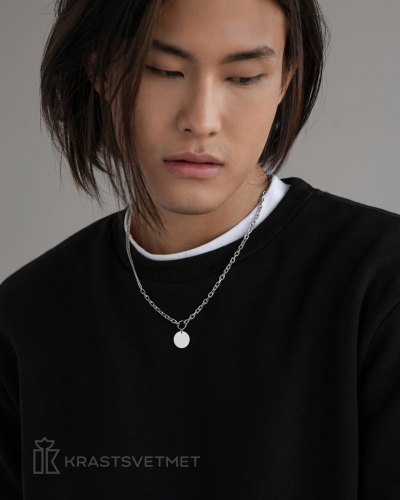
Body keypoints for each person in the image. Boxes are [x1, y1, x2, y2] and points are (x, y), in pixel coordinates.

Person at [1, 0, 399, 498]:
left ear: (284, 79)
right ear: (100, 70)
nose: (201, 120)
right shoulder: (24, 319)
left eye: (244, 77)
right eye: (163, 70)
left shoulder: (381, 285)